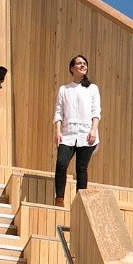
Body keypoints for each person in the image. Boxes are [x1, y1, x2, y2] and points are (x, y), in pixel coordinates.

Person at [53, 54, 101, 206]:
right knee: (61, 164)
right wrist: (57, 131)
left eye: (84, 63)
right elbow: (59, 112)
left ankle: (80, 203)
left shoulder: (92, 88)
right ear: (71, 68)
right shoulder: (64, 89)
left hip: (86, 134)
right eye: (79, 63)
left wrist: (94, 130)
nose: (82, 65)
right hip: (67, 134)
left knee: (81, 168)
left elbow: (96, 111)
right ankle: (59, 199)